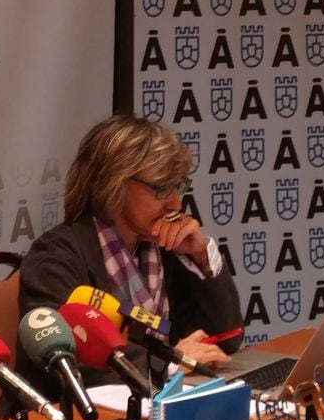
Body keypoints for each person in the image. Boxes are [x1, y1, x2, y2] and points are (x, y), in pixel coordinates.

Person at [16, 114, 243, 398]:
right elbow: (67, 359)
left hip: (156, 406)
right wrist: (169, 362)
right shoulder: (54, 258)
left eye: (178, 186)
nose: (175, 202)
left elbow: (226, 340)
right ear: (113, 184)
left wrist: (200, 255)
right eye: (161, 188)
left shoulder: (165, 249)